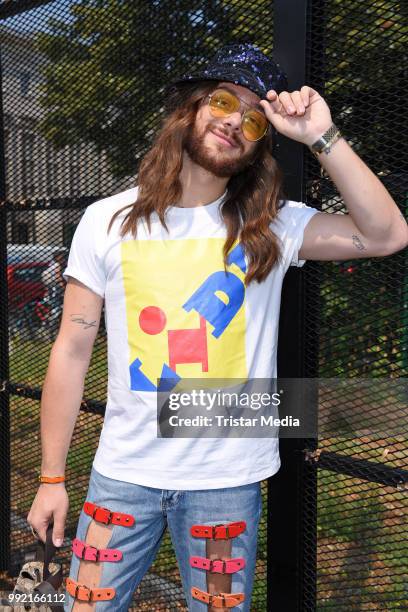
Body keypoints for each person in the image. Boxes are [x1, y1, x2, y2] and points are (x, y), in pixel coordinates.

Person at [27, 43, 407, 611]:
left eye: (255, 118)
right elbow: (72, 349)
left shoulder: (272, 226)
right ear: (190, 109)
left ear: (259, 145)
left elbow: (386, 235)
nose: (236, 120)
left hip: (226, 488)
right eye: (224, 100)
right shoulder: (106, 220)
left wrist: (321, 135)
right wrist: (52, 479)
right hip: (121, 479)